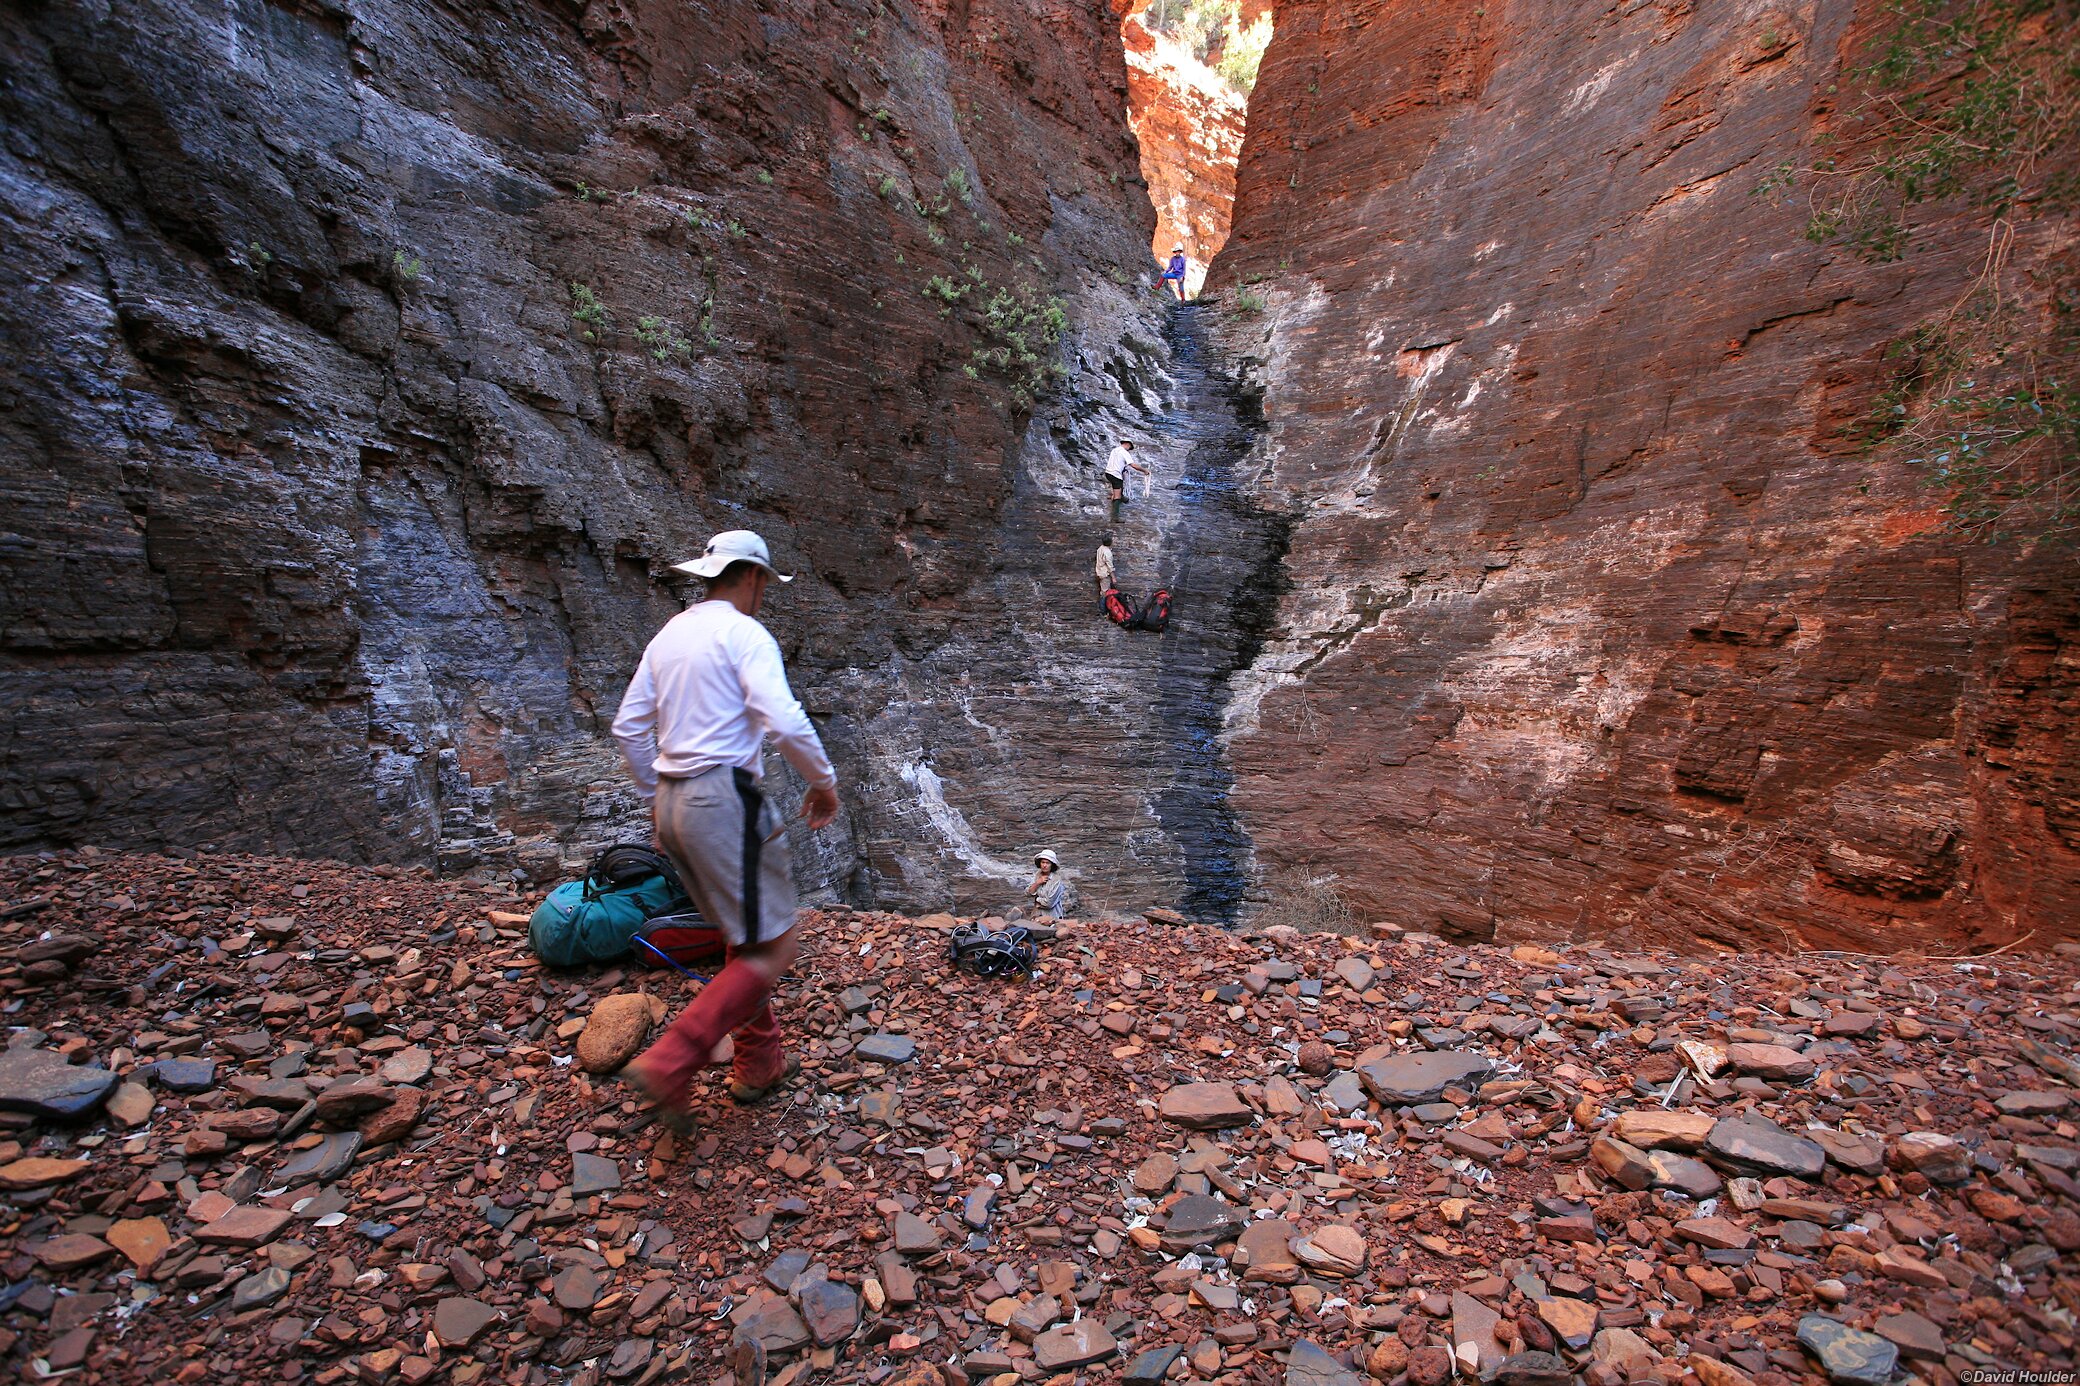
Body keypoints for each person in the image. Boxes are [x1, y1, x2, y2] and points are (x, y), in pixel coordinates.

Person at [611, 529, 840, 1118]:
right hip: (724, 801)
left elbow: (630, 728)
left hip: (672, 800)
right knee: (776, 945)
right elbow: (783, 720)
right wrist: (822, 781)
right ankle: (674, 1057)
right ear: (755, 578)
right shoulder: (745, 633)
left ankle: (758, 1061)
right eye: (765, 582)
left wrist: (657, 800)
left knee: (744, 935)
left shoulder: (670, 634)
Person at [1104, 439, 1148, 523]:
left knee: (1117, 487)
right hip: (1116, 475)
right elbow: (1133, 465)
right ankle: (1115, 517)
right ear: (1128, 444)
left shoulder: (1114, 450)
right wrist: (1144, 470)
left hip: (1108, 473)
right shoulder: (1124, 452)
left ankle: (1122, 497)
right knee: (1117, 495)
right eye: (1129, 448)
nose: (1129, 449)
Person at [1026, 850, 1069, 919]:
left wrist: (1037, 900)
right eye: (1043, 862)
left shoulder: (1056, 880)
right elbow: (1028, 893)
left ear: (1052, 865)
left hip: (1052, 917)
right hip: (1037, 915)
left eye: (1047, 863)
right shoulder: (1037, 875)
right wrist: (1037, 883)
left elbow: (1049, 903)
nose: (1044, 865)